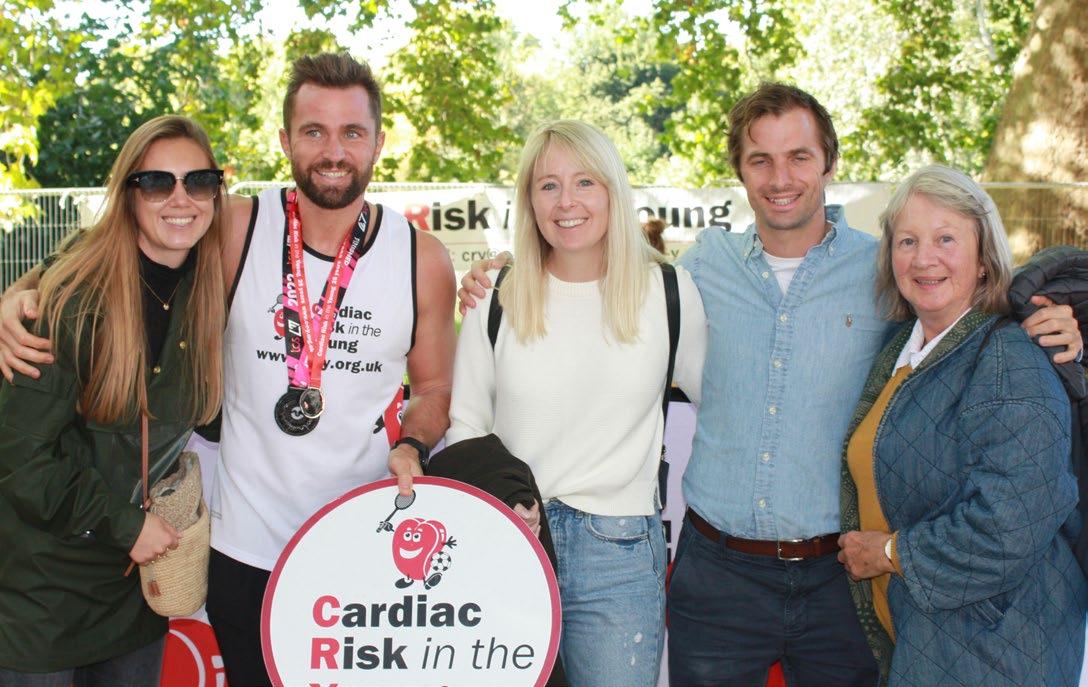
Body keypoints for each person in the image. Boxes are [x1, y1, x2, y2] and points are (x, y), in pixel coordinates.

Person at [456, 83, 1082, 686]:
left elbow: (965, 307)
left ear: (829, 162)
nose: (781, 177)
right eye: (761, 159)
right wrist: (507, 272)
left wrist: (1049, 316)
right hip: (718, 573)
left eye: (799, 157)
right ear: (740, 170)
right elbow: (597, 286)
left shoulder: (885, 267)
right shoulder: (698, 271)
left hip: (844, 572)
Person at [0, 53, 457, 686]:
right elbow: (119, 243)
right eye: (314, 131)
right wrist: (23, 291)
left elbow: (433, 387)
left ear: (378, 143)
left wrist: (414, 443)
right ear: (285, 141)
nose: (333, 151)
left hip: (364, 538)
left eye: (352, 132)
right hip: (246, 547)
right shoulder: (236, 225)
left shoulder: (421, 258)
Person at [446, 120, 706, 686]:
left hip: (619, 552)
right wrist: (505, 500)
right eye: (548, 185)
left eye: (585, 182)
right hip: (510, 539)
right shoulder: (495, 296)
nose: (567, 201)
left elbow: (721, 408)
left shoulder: (667, 292)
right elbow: (466, 425)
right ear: (530, 201)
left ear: (613, 189)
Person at [837, 165, 1087, 686]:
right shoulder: (903, 349)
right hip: (932, 649)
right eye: (907, 241)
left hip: (998, 657)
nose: (923, 258)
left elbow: (1008, 526)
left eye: (946, 239)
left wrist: (890, 553)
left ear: (984, 258)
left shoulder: (1010, 358)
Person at [0, 115, 226, 685]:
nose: (181, 199)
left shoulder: (208, 292)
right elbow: (19, 459)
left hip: (135, 589)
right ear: (128, 193)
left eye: (199, 181)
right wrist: (125, 525)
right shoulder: (68, 303)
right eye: (157, 183)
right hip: (43, 593)